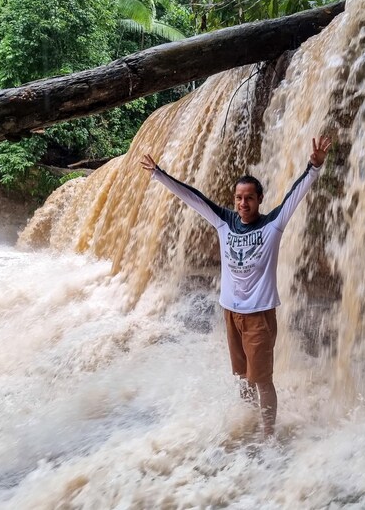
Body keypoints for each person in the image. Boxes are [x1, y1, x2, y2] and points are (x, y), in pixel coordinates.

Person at [141, 135, 331, 438]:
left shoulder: (273, 225)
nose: (243, 203)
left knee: (262, 380)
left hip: (259, 316)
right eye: (239, 198)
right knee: (243, 377)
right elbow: (193, 197)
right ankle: (248, 421)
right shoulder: (224, 222)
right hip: (231, 313)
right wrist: (158, 174)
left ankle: (268, 435)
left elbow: (295, 195)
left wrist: (314, 167)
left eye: (249, 198)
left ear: (260, 199)